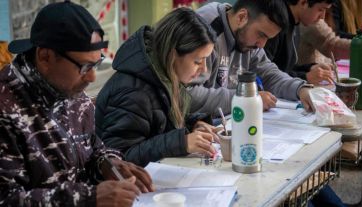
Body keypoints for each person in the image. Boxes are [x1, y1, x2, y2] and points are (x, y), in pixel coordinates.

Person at [0, 1, 153, 206]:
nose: (91, 77)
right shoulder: (6, 108)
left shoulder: (70, 90)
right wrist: (89, 197)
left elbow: (92, 147)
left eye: (96, 63)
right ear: (45, 57)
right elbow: (7, 199)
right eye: (84, 66)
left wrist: (107, 163)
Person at [95, 8, 218, 167]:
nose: (204, 69)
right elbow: (119, 158)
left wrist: (192, 125)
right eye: (197, 61)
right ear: (173, 55)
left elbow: (157, 125)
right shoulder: (133, 92)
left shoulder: (164, 75)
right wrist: (181, 142)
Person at [188, 0, 314, 116]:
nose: (262, 45)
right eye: (261, 35)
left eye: (267, 38)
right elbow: (187, 95)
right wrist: (247, 100)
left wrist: (300, 89)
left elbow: (269, 74)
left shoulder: (247, 36)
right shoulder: (205, 30)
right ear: (241, 17)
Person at [264, 0, 335, 86]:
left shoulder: (295, 23)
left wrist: (309, 68)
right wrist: (305, 77)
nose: (323, 17)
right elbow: (265, 73)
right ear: (303, 3)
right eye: (320, 10)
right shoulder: (275, 24)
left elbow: (286, 67)